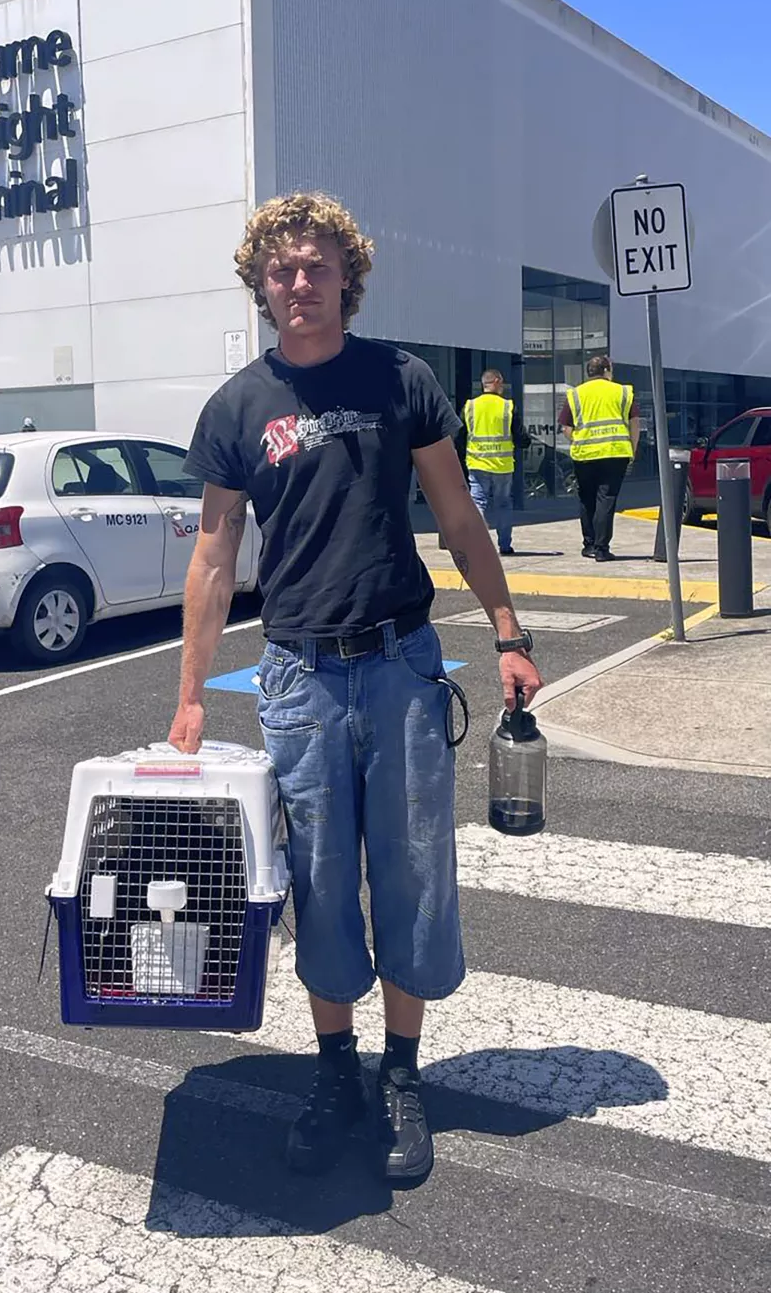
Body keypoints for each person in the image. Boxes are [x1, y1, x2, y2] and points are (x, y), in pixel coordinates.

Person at [167, 192, 542, 1186]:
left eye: (316, 266)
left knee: (412, 876)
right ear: (262, 285)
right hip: (295, 675)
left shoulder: (400, 380)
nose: (299, 284)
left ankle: (402, 1073)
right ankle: (337, 1072)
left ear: (347, 277)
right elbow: (213, 556)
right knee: (322, 882)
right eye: (281, 270)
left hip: (400, 662)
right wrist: (192, 692)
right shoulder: (239, 406)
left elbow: (458, 514)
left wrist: (506, 630)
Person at [559, 355, 639, 562]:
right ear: (606, 370)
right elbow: (635, 424)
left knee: (587, 499)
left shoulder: (576, 394)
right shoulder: (622, 392)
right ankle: (602, 549)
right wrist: (633, 450)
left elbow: (566, 428)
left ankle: (589, 545)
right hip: (615, 453)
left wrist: (580, 439)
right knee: (607, 499)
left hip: (584, 455)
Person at [462, 369, 527, 556]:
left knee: (478, 503)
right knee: (504, 504)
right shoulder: (507, 406)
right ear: (497, 381)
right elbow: (520, 436)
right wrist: (525, 443)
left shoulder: (470, 406)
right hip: (502, 465)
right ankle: (505, 546)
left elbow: (459, 435)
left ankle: (477, 543)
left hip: (477, 463)